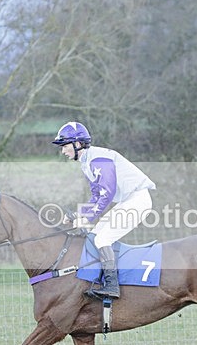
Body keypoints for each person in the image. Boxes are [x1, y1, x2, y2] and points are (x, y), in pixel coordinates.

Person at [52, 121, 155, 299]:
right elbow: (96, 196)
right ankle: (101, 279)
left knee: (103, 238)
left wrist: (87, 218)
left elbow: (107, 194)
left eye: (65, 146)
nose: (63, 151)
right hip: (127, 201)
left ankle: (113, 286)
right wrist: (80, 215)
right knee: (95, 236)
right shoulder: (86, 162)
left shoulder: (98, 159)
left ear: (77, 144)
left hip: (137, 200)